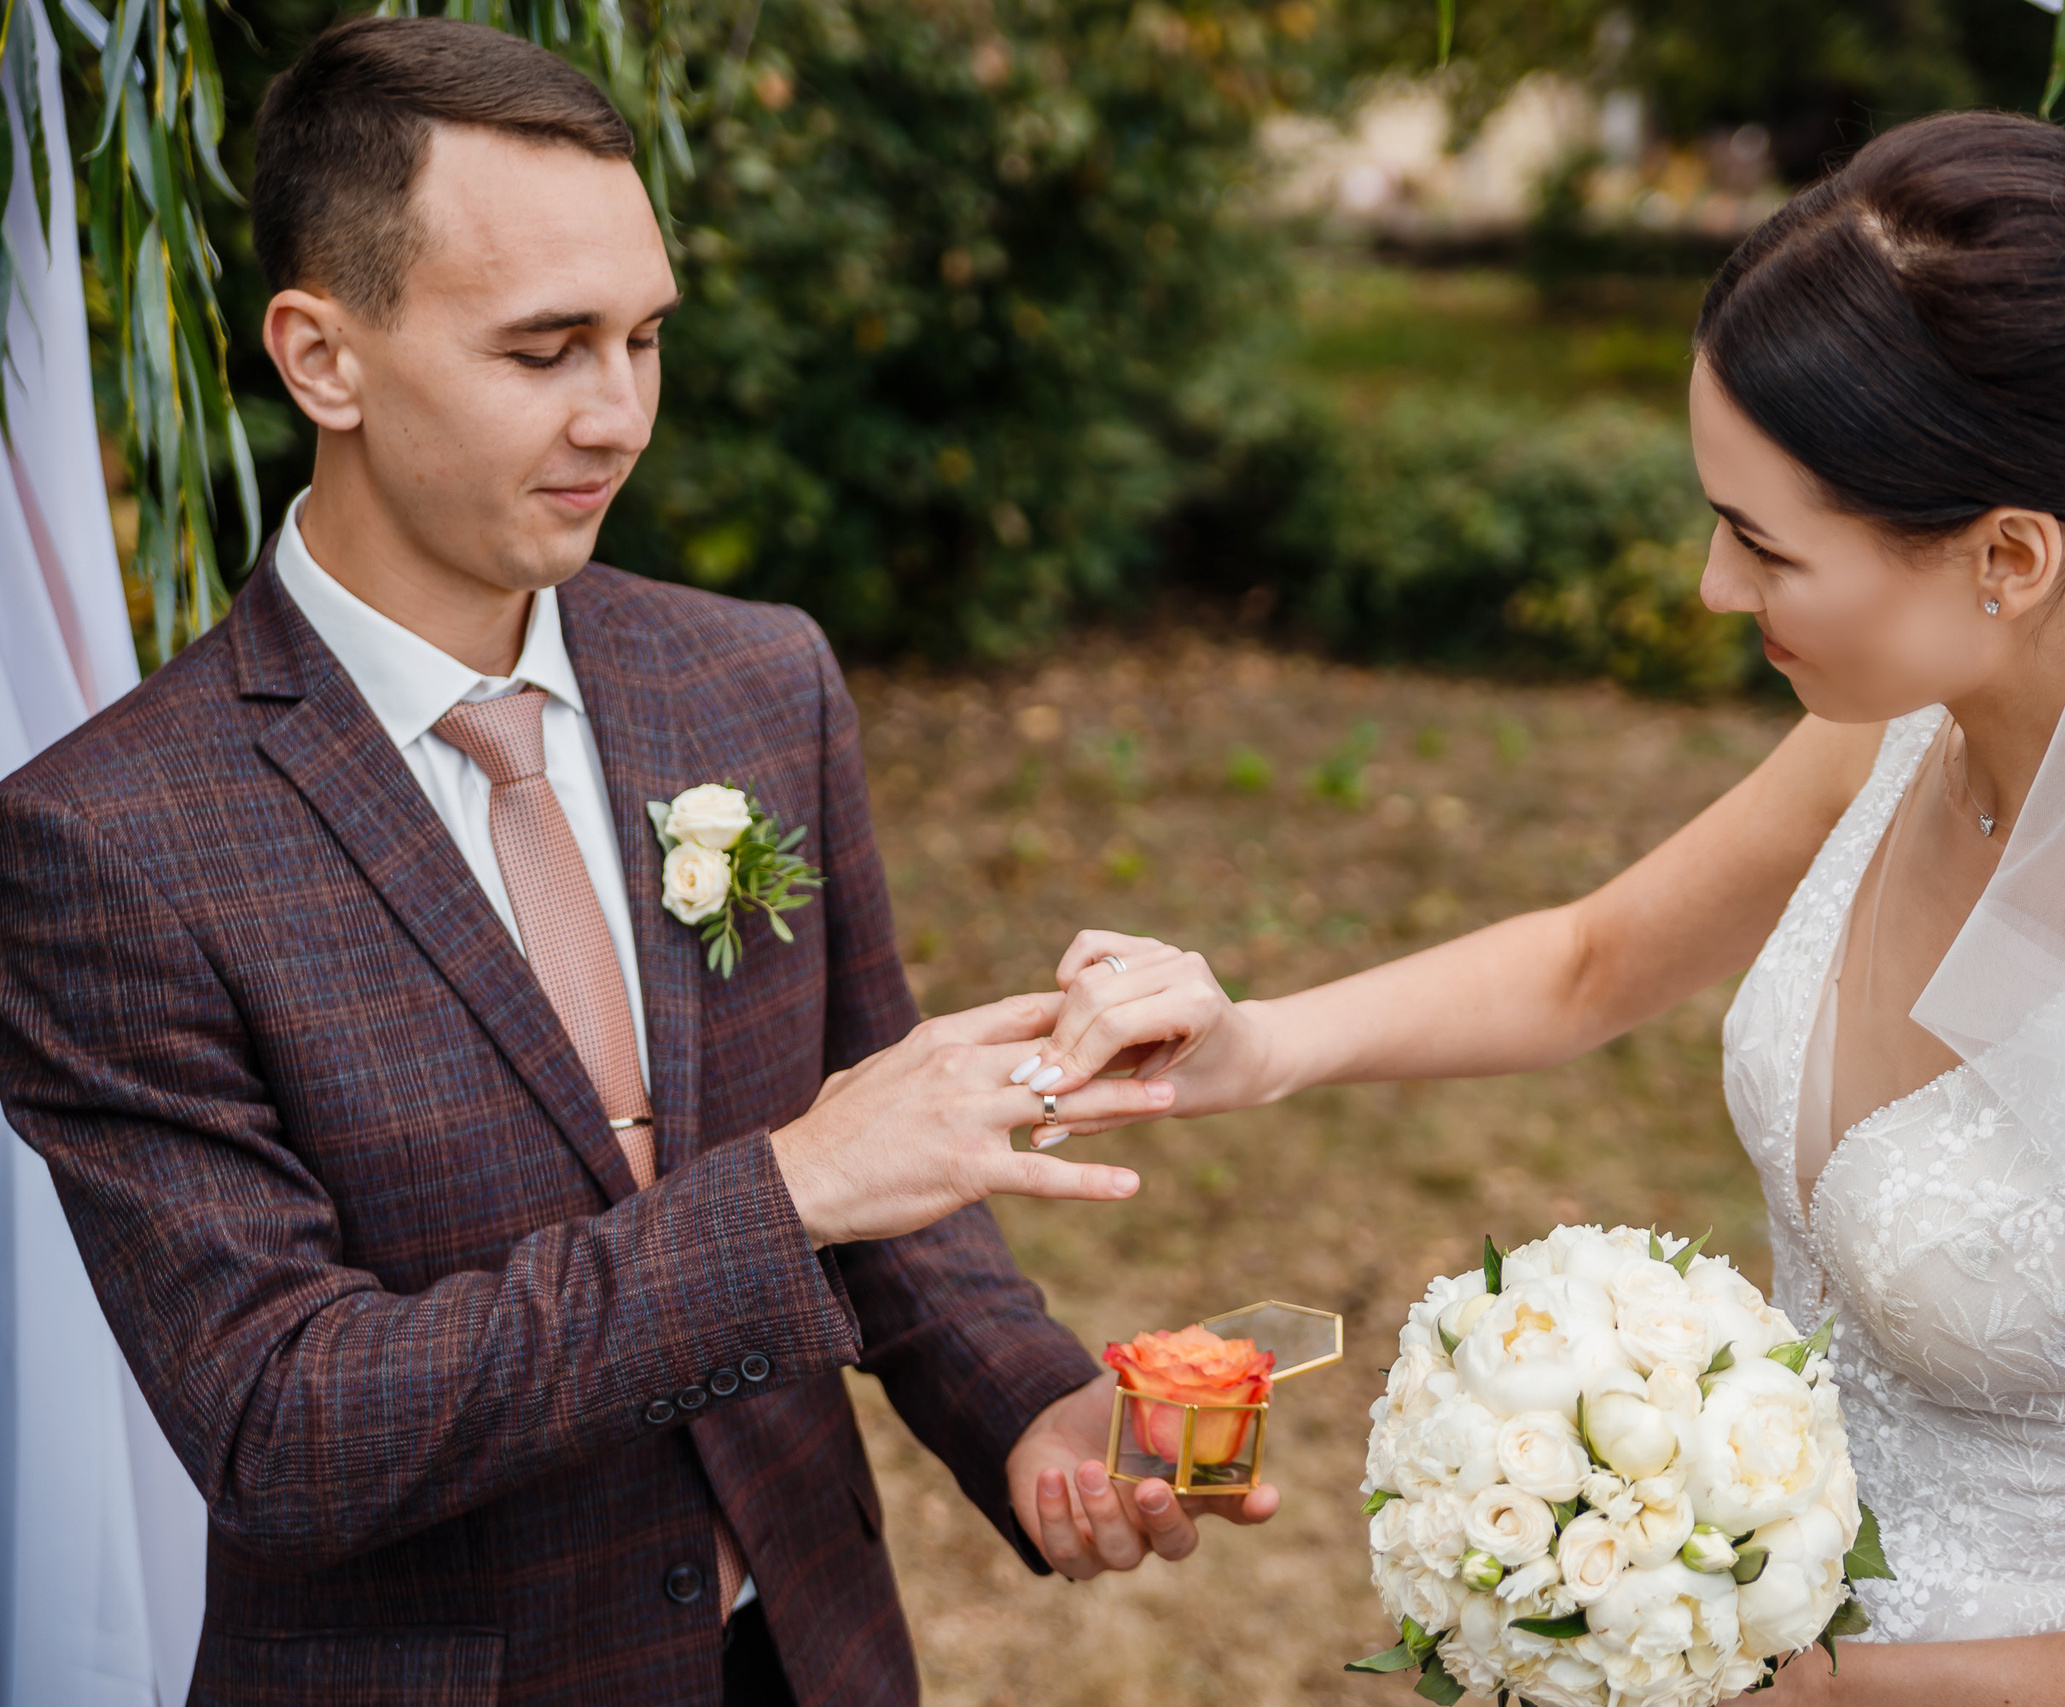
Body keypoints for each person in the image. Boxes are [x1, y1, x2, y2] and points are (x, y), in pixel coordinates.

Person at [1012, 115, 2065, 1703]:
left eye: (1763, 544)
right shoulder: (1901, 740)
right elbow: (1592, 961)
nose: (1712, 587)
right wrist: (1261, 1044)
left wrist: (1829, 1689)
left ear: (2009, 556)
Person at [0, 19, 1271, 1706]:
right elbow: (283, 1427)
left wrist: (1028, 1403)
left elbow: (874, 1143)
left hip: (806, 1653)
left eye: (645, 338)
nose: (619, 416)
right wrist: (784, 1194)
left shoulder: (754, 681)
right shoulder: (108, 841)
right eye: (546, 351)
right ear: (322, 359)